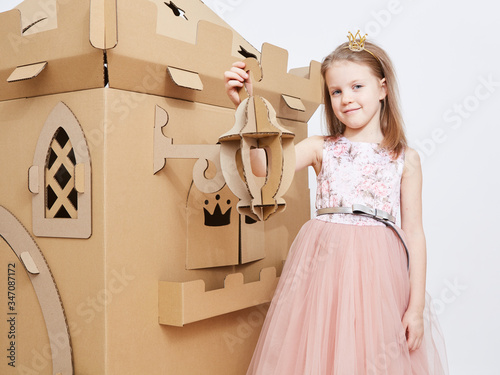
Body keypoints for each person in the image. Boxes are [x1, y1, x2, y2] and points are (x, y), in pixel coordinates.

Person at [224, 31, 448, 374]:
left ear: (383, 88)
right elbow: (265, 171)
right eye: (336, 91)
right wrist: (246, 110)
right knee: (321, 349)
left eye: (357, 86)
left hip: (379, 273)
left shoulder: (405, 158)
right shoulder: (320, 147)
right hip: (322, 267)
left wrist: (415, 309)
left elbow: (415, 234)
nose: (346, 98)